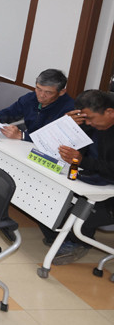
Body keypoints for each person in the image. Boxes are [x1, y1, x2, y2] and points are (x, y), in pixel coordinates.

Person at [40, 90, 114, 264]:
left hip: (108, 194)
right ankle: (59, 237)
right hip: (89, 179)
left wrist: (82, 161)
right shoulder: (92, 124)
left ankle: (78, 243)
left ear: (110, 112)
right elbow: (49, 143)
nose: (88, 123)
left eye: (90, 118)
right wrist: (66, 125)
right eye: (84, 119)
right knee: (47, 197)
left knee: (79, 212)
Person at [0, 69, 74, 141]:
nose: (41, 95)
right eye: (38, 89)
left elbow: (56, 140)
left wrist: (23, 136)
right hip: (27, 142)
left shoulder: (69, 109)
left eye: (48, 92)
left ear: (61, 92)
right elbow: (12, 112)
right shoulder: (31, 98)